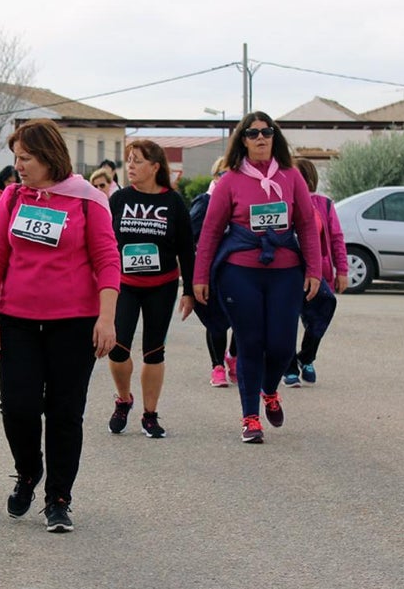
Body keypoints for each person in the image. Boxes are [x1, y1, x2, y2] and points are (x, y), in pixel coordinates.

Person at [0, 118, 119, 532]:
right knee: (18, 406)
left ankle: (59, 497)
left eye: (26, 158)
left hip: (74, 323)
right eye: (16, 158)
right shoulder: (12, 198)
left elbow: (108, 261)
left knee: (64, 412)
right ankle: (27, 471)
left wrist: (106, 318)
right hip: (17, 320)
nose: (18, 165)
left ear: (49, 157)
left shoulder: (87, 199)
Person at [191, 111, 321, 444]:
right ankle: (250, 418)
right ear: (242, 140)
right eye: (252, 133)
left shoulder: (292, 177)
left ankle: (269, 390)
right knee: (250, 343)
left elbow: (307, 225)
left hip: (285, 272)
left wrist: (314, 270)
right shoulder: (229, 180)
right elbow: (209, 232)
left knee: (279, 346)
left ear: (275, 137)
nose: (261, 138)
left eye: (266, 132)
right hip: (240, 271)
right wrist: (200, 276)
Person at [106, 139, 195, 438]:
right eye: (129, 160)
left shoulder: (173, 202)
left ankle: (150, 414)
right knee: (117, 349)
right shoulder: (118, 200)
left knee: (154, 351)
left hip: (162, 285)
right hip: (124, 284)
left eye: (138, 160)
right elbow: (104, 244)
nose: (130, 165)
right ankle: (123, 399)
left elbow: (187, 250)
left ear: (155, 167)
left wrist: (189, 291)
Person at [284, 158, 348, 387]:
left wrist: (342, 270)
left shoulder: (325, 204)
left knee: (321, 313)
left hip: (319, 273)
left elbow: (337, 239)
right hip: (290, 272)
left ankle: (307, 357)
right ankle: (289, 367)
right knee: (288, 320)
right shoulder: (285, 203)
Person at [190, 157, 238, 387]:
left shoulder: (239, 202)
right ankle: (217, 366)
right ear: (215, 176)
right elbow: (190, 236)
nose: (227, 179)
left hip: (238, 270)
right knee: (216, 322)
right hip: (211, 272)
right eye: (223, 174)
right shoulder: (205, 202)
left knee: (243, 319)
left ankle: (234, 357)